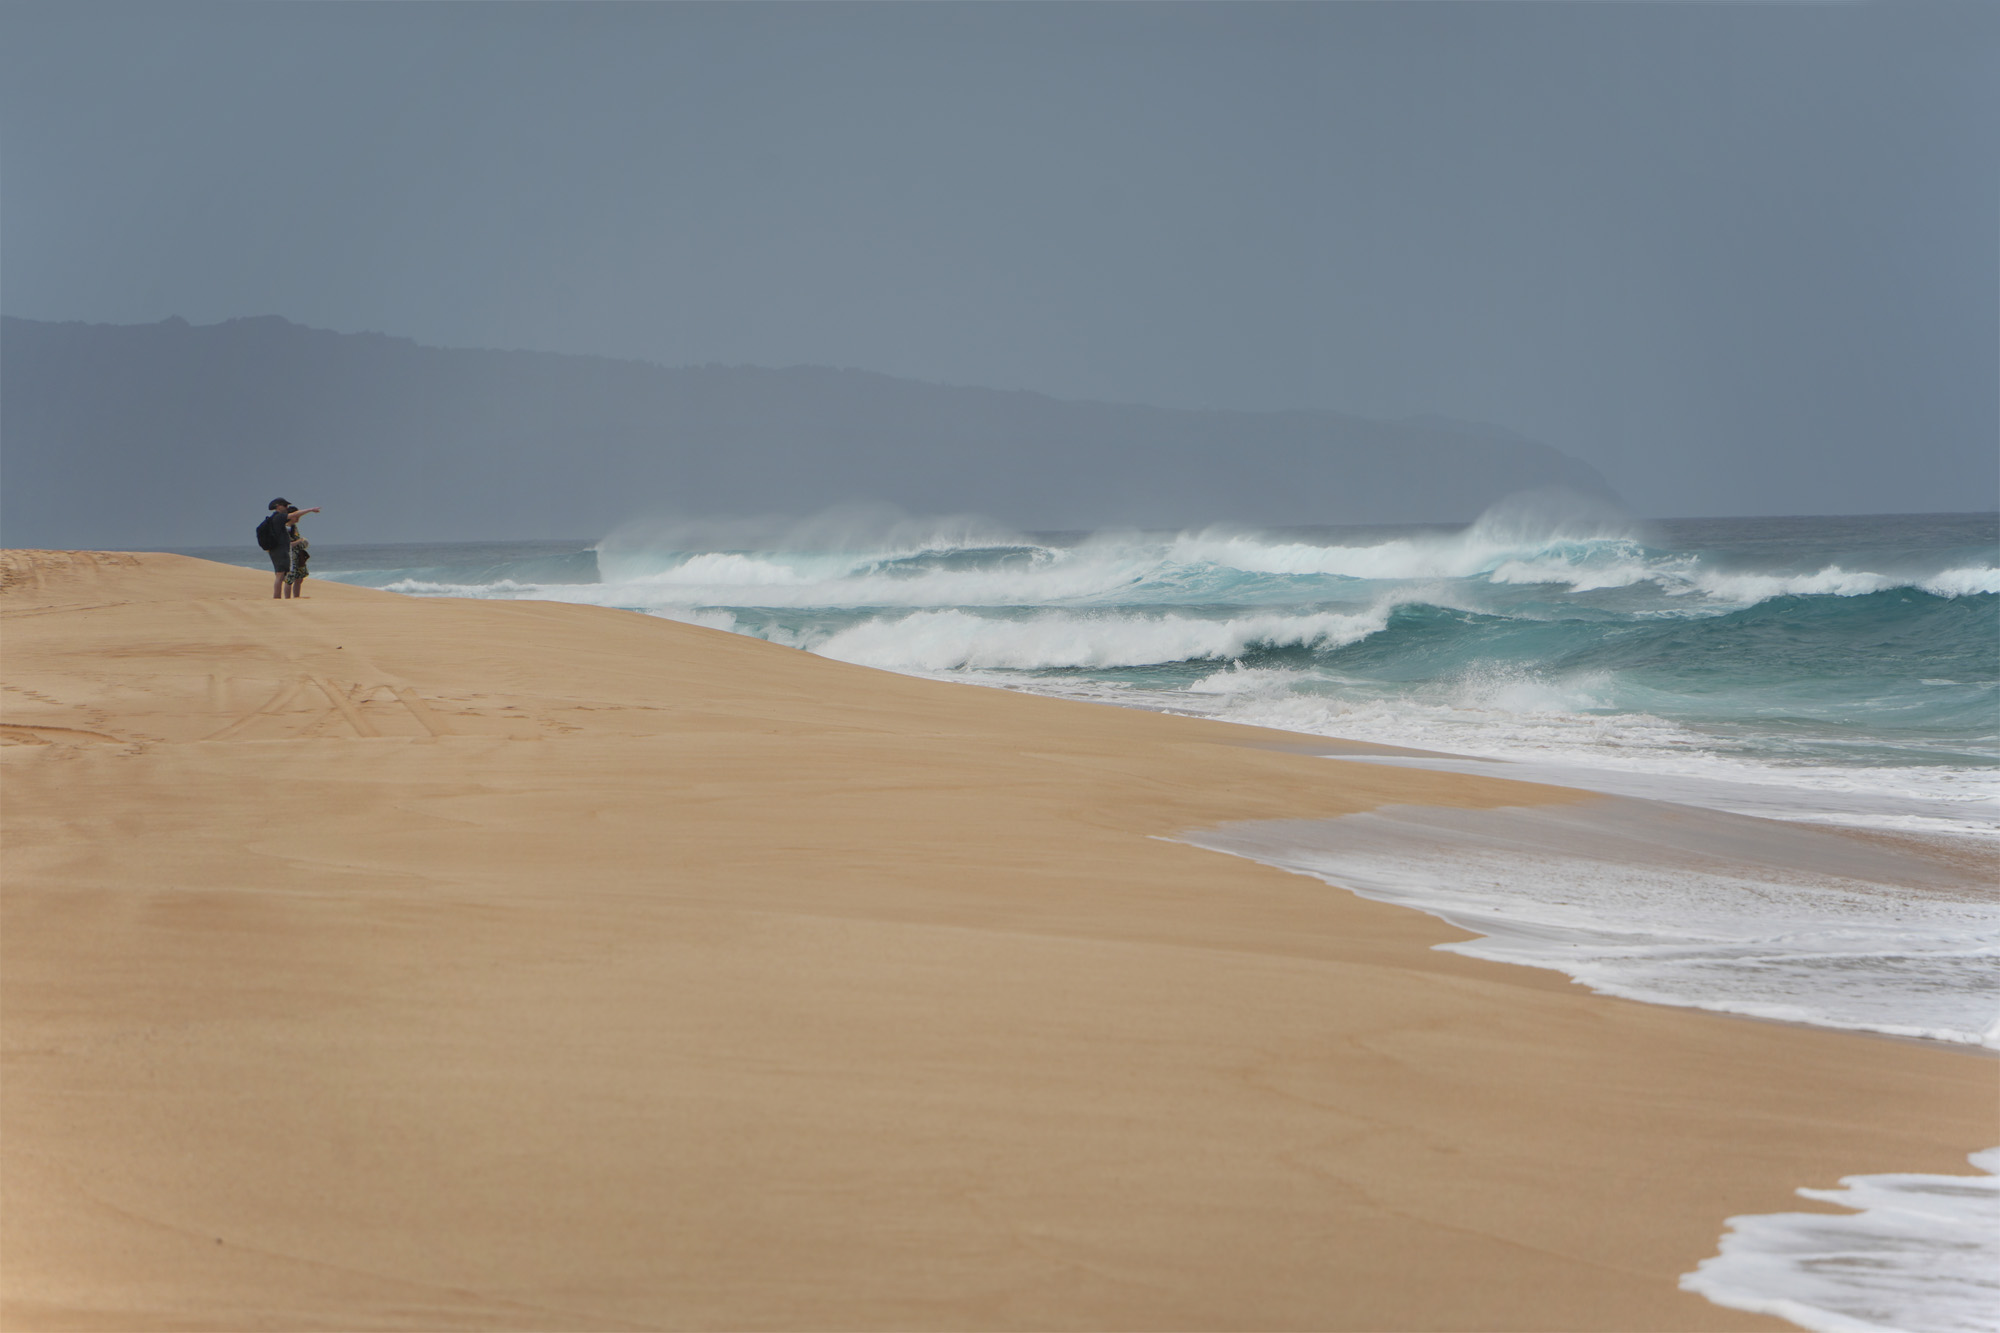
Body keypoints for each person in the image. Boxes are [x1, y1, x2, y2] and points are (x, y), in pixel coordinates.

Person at [256, 497, 320, 599]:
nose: (287, 507)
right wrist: (310, 510)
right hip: (279, 550)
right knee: (280, 575)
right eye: (285, 505)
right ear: (278, 506)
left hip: (279, 549)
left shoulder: (276, 519)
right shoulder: (278, 517)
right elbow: (294, 514)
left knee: (281, 575)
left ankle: (278, 598)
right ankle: (277, 598)